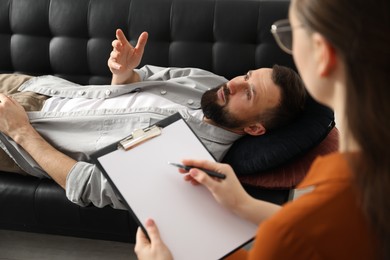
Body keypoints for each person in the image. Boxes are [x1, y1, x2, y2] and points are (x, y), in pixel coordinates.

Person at [134, 0, 390, 259]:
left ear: (323, 54)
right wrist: (244, 204)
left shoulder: (297, 231)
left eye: (290, 34)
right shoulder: (364, 184)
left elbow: (302, 237)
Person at [0, 29, 307, 209]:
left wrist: (20, 132)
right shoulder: (207, 82)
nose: (234, 83)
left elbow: (88, 184)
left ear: (254, 128)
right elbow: (134, 84)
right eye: (247, 75)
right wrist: (124, 73)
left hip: (12, 139)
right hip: (35, 87)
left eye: (249, 94)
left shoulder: (189, 162)